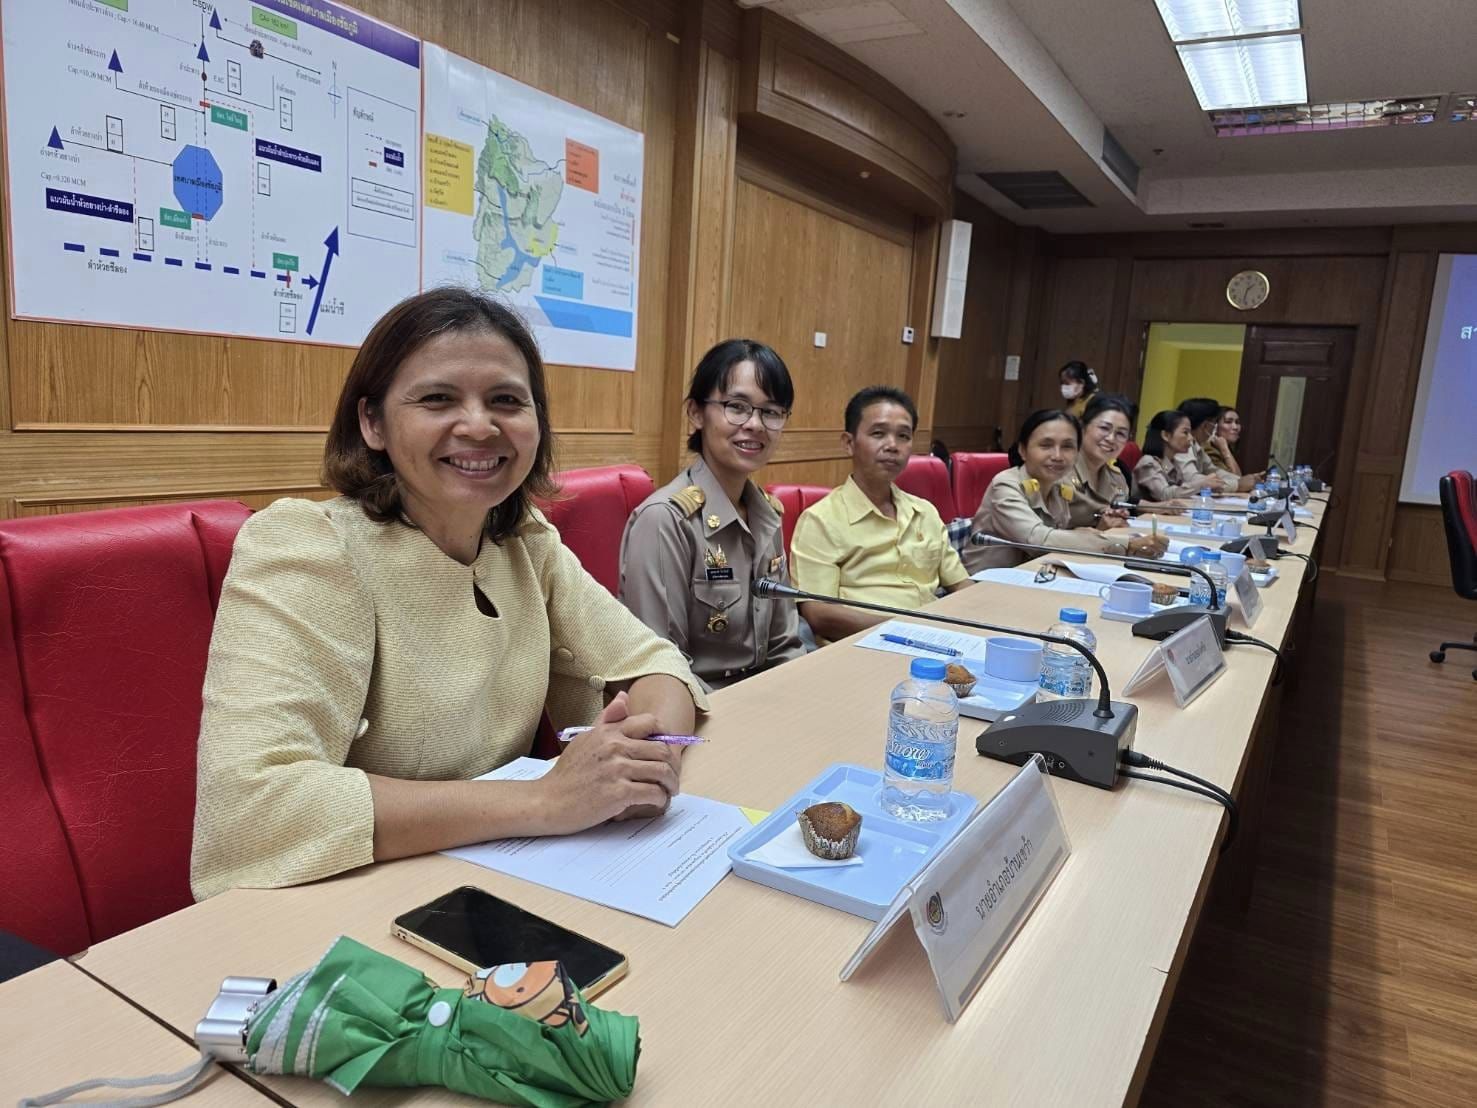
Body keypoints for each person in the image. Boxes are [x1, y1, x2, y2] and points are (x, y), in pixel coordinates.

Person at [191, 289, 707, 899]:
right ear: (373, 423)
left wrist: (648, 763)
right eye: (437, 398)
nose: (479, 425)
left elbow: (655, 663)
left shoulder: (523, 541)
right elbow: (251, 807)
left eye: (507, 401)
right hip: (352, 896)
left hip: (502, 877)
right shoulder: (306, 547)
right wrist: (543, 800)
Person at [620, 339, 804, 691]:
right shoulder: (665, 520)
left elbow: (785, 645)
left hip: (765, 698)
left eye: (772, 411)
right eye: (737, 406)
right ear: (696, 413)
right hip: (696, 708)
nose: (755, 424)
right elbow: (662, 667)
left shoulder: (767, 514)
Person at [790, 386, 970, 642]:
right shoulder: (820, 520)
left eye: (903, 436)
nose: (892, 446)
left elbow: (960, 583)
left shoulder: (925, 512)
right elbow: (819, 615)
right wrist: (909, 628)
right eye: (878, 433)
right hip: (862, 648)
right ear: (849, 443)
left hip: (935, 644)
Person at [965, 409, 1167, 571]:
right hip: (987, 584)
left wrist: (1099, 530)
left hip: (1036, 574)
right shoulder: (1006, 484)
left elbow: (1063, 534)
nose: (1058, 456)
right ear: (1023, 450)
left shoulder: (1060, 486)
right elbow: (1039, 540)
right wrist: (1126, 544)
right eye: (1046, 445)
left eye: (1068, 447)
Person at [1134, 409, 1221, 501]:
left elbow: (1182, 490)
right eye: (1185, 433)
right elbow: (1164, 494)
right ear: (1166, 435)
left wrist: (1210, 485)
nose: (1191, 438)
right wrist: (1202, 484)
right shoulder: (1148, 463)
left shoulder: (1173, 462)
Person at [1177, 397, 1260, 493]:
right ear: (1205, 426)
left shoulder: (1197, 446)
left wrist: (1244, 480)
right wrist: (1238, 484)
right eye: (1214, 422)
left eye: (1237, 422)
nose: (1235, 427)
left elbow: (1214, 470)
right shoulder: (1183, 446)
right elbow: (1193, 480)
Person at [1206, 405, 1244, 476]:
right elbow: (1236, 479)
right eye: (1228, 422)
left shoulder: (1228, 448)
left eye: (1237, 422)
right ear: (1215, 426)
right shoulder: (1209, 449)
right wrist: (1224, 449)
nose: (1235, 427)